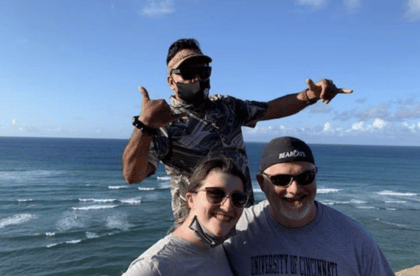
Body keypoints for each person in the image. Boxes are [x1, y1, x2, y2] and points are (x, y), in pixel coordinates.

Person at [122, 38, 353, 227]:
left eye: (202, 70)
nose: (197, 78)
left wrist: (308, 96)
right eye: (187, 71)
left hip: (244, 223)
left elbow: (271, 109)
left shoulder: (226, 106)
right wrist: (144, 126)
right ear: (171, 81)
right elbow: (133, 175)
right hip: (199, 231)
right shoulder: (162, 122)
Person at [224, 137, 400, 276]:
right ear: (262, 182)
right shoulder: (238, 229)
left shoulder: (356, 240)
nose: (295, 189)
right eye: (281, 179)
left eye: (305, 177)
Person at [77, 157, 249, 276]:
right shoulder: (156, 267)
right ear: (190, 199)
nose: (227, 206)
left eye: (237, 198)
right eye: (216, 194)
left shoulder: (217, 250)